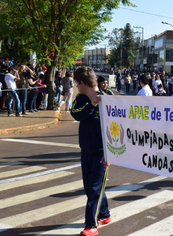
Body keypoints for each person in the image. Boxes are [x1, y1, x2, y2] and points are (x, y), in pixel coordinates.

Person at [71, 67, 111, 236]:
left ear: (82, 83)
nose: (76, 87)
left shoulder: (108, 98)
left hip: (102, 153)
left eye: (76, 84)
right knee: (90, 188)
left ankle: (91, 226)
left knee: (95, 189)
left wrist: (110, 153)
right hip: (86, 150)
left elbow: (116, 127)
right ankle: (104, 214)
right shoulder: (80, 99)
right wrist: (90, 104)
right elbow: (75, 114)